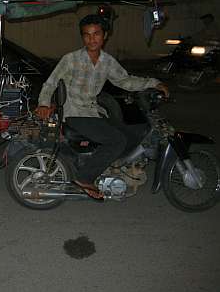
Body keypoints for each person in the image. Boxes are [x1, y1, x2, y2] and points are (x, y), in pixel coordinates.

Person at [36, 14, 169, 199]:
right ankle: (85, 177)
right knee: (117, 140)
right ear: (82, 37)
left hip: (93, 111)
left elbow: (125, 81)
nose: (92, 39)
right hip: (74, 113)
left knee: (132, 133)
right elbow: (50, 84)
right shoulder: (71, 59)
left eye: (96, 34)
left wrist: (153, 83)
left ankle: (108, 166)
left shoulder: (107, 62)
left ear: (105, 35)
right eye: (87, 35)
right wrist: (43, 104)